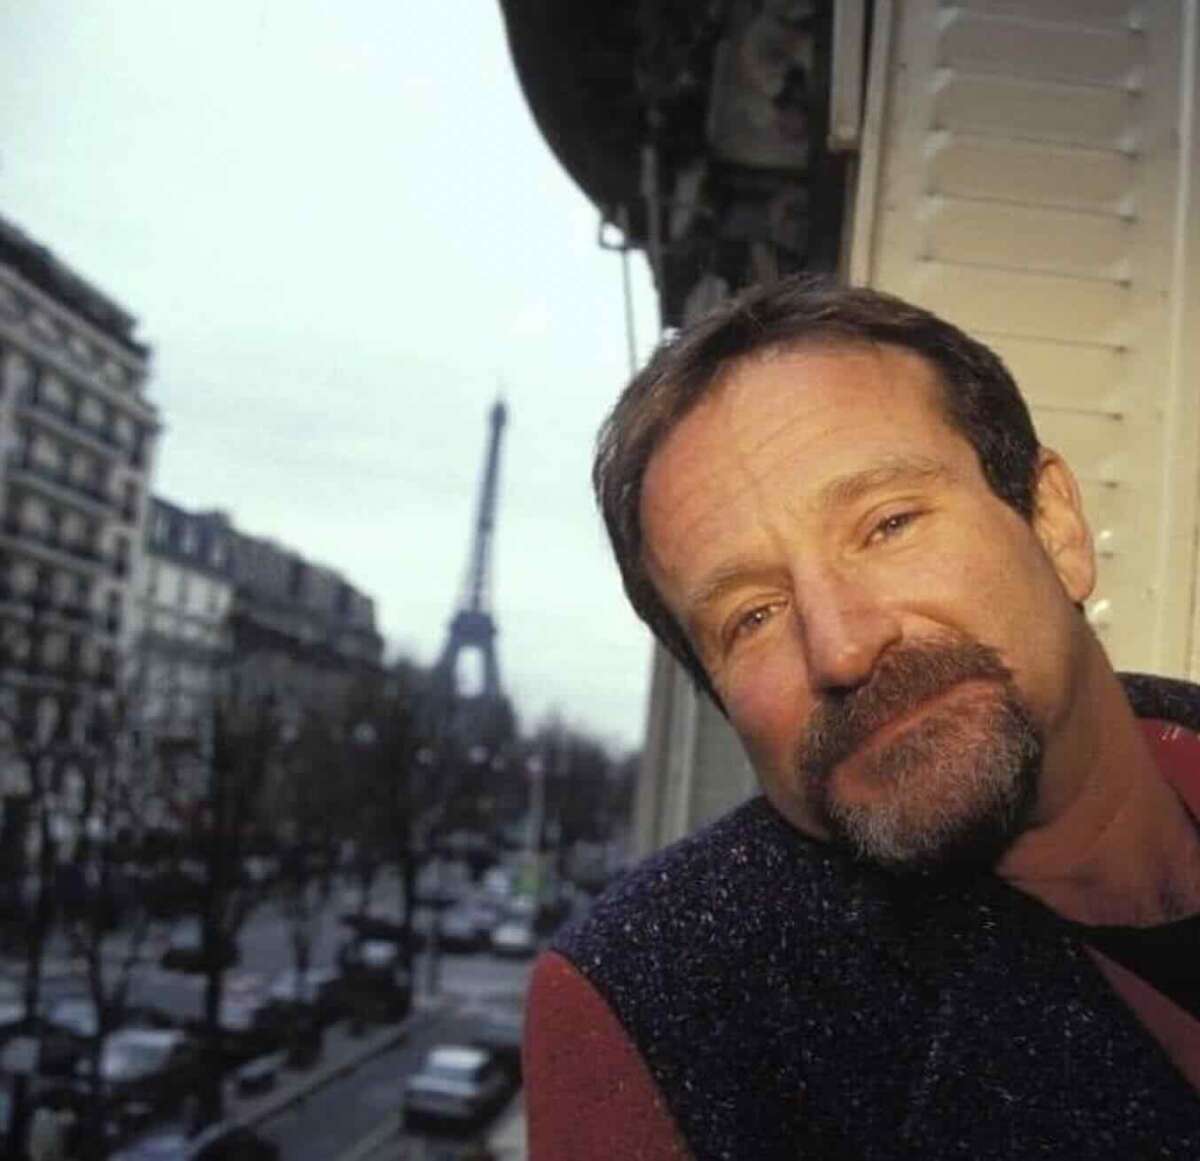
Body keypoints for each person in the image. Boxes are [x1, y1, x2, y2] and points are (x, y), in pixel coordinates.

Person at [523, 278, 1200, 1159]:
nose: (841, 647)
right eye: (752, 617)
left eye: (888, 525)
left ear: (1055, 527)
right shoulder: (663, 1017)